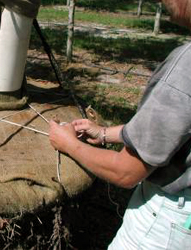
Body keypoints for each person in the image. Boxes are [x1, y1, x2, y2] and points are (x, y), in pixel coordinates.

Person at [48, 0, 191, 249]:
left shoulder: (186, 68)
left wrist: (69, 144)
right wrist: (104, 134)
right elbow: (175, 131)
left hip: (166, 223)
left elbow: (127, 172)